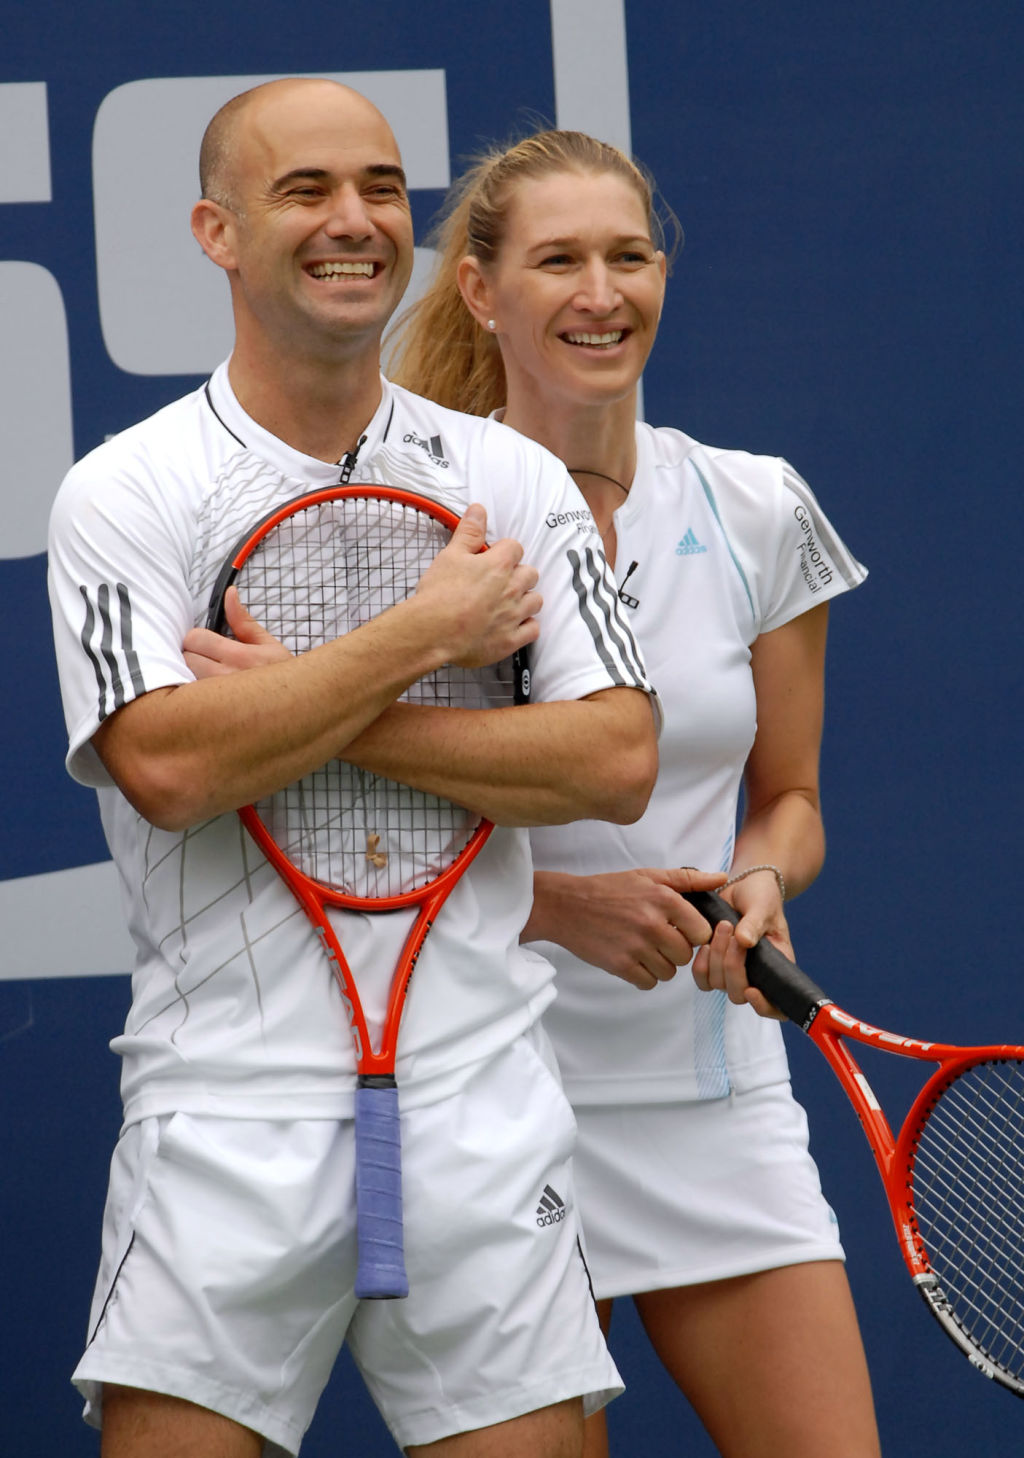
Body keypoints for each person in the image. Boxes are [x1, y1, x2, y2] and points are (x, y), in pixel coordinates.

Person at [46, 81, 675, 1458]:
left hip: (481, 1103)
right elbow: (163, 762)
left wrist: (313, 698)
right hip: (223, 1111)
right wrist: (426, 636)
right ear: (215, 230)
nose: (356, 221)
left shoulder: (512, 480)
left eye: (383, 188)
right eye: (307, 190)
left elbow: (617, 755)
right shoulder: (126, 492)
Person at [386, 130, 883, 1457]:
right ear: (481, 290)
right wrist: (553, 905)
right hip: (489, 1091)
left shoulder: (756, 506)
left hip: (716, 1091)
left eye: (630, 254)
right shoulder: (404, 519)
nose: (602, 290)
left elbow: (790, 797)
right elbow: (348, 827)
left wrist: (767, 876)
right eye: (559, 258)